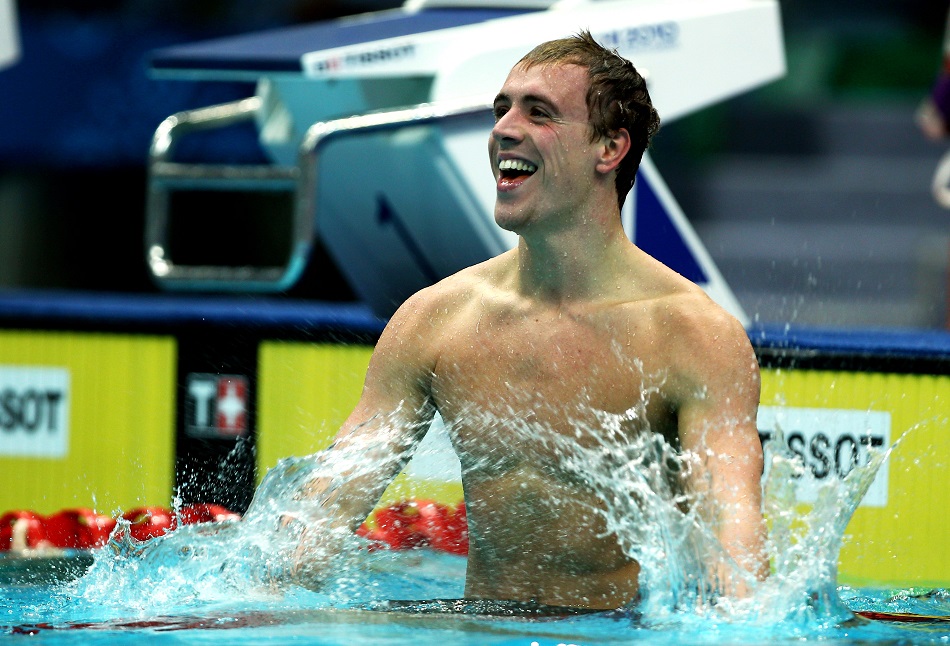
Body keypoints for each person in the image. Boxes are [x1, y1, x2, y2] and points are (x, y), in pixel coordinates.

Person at [280, 30, 769, 610]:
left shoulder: (691, 337)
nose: (503, 128)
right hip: (474, 628)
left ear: (609, 148)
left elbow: (735, 563)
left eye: (539, 113)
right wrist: (257, 606)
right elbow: (318, 519)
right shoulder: (435, 319)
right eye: (502, 109)